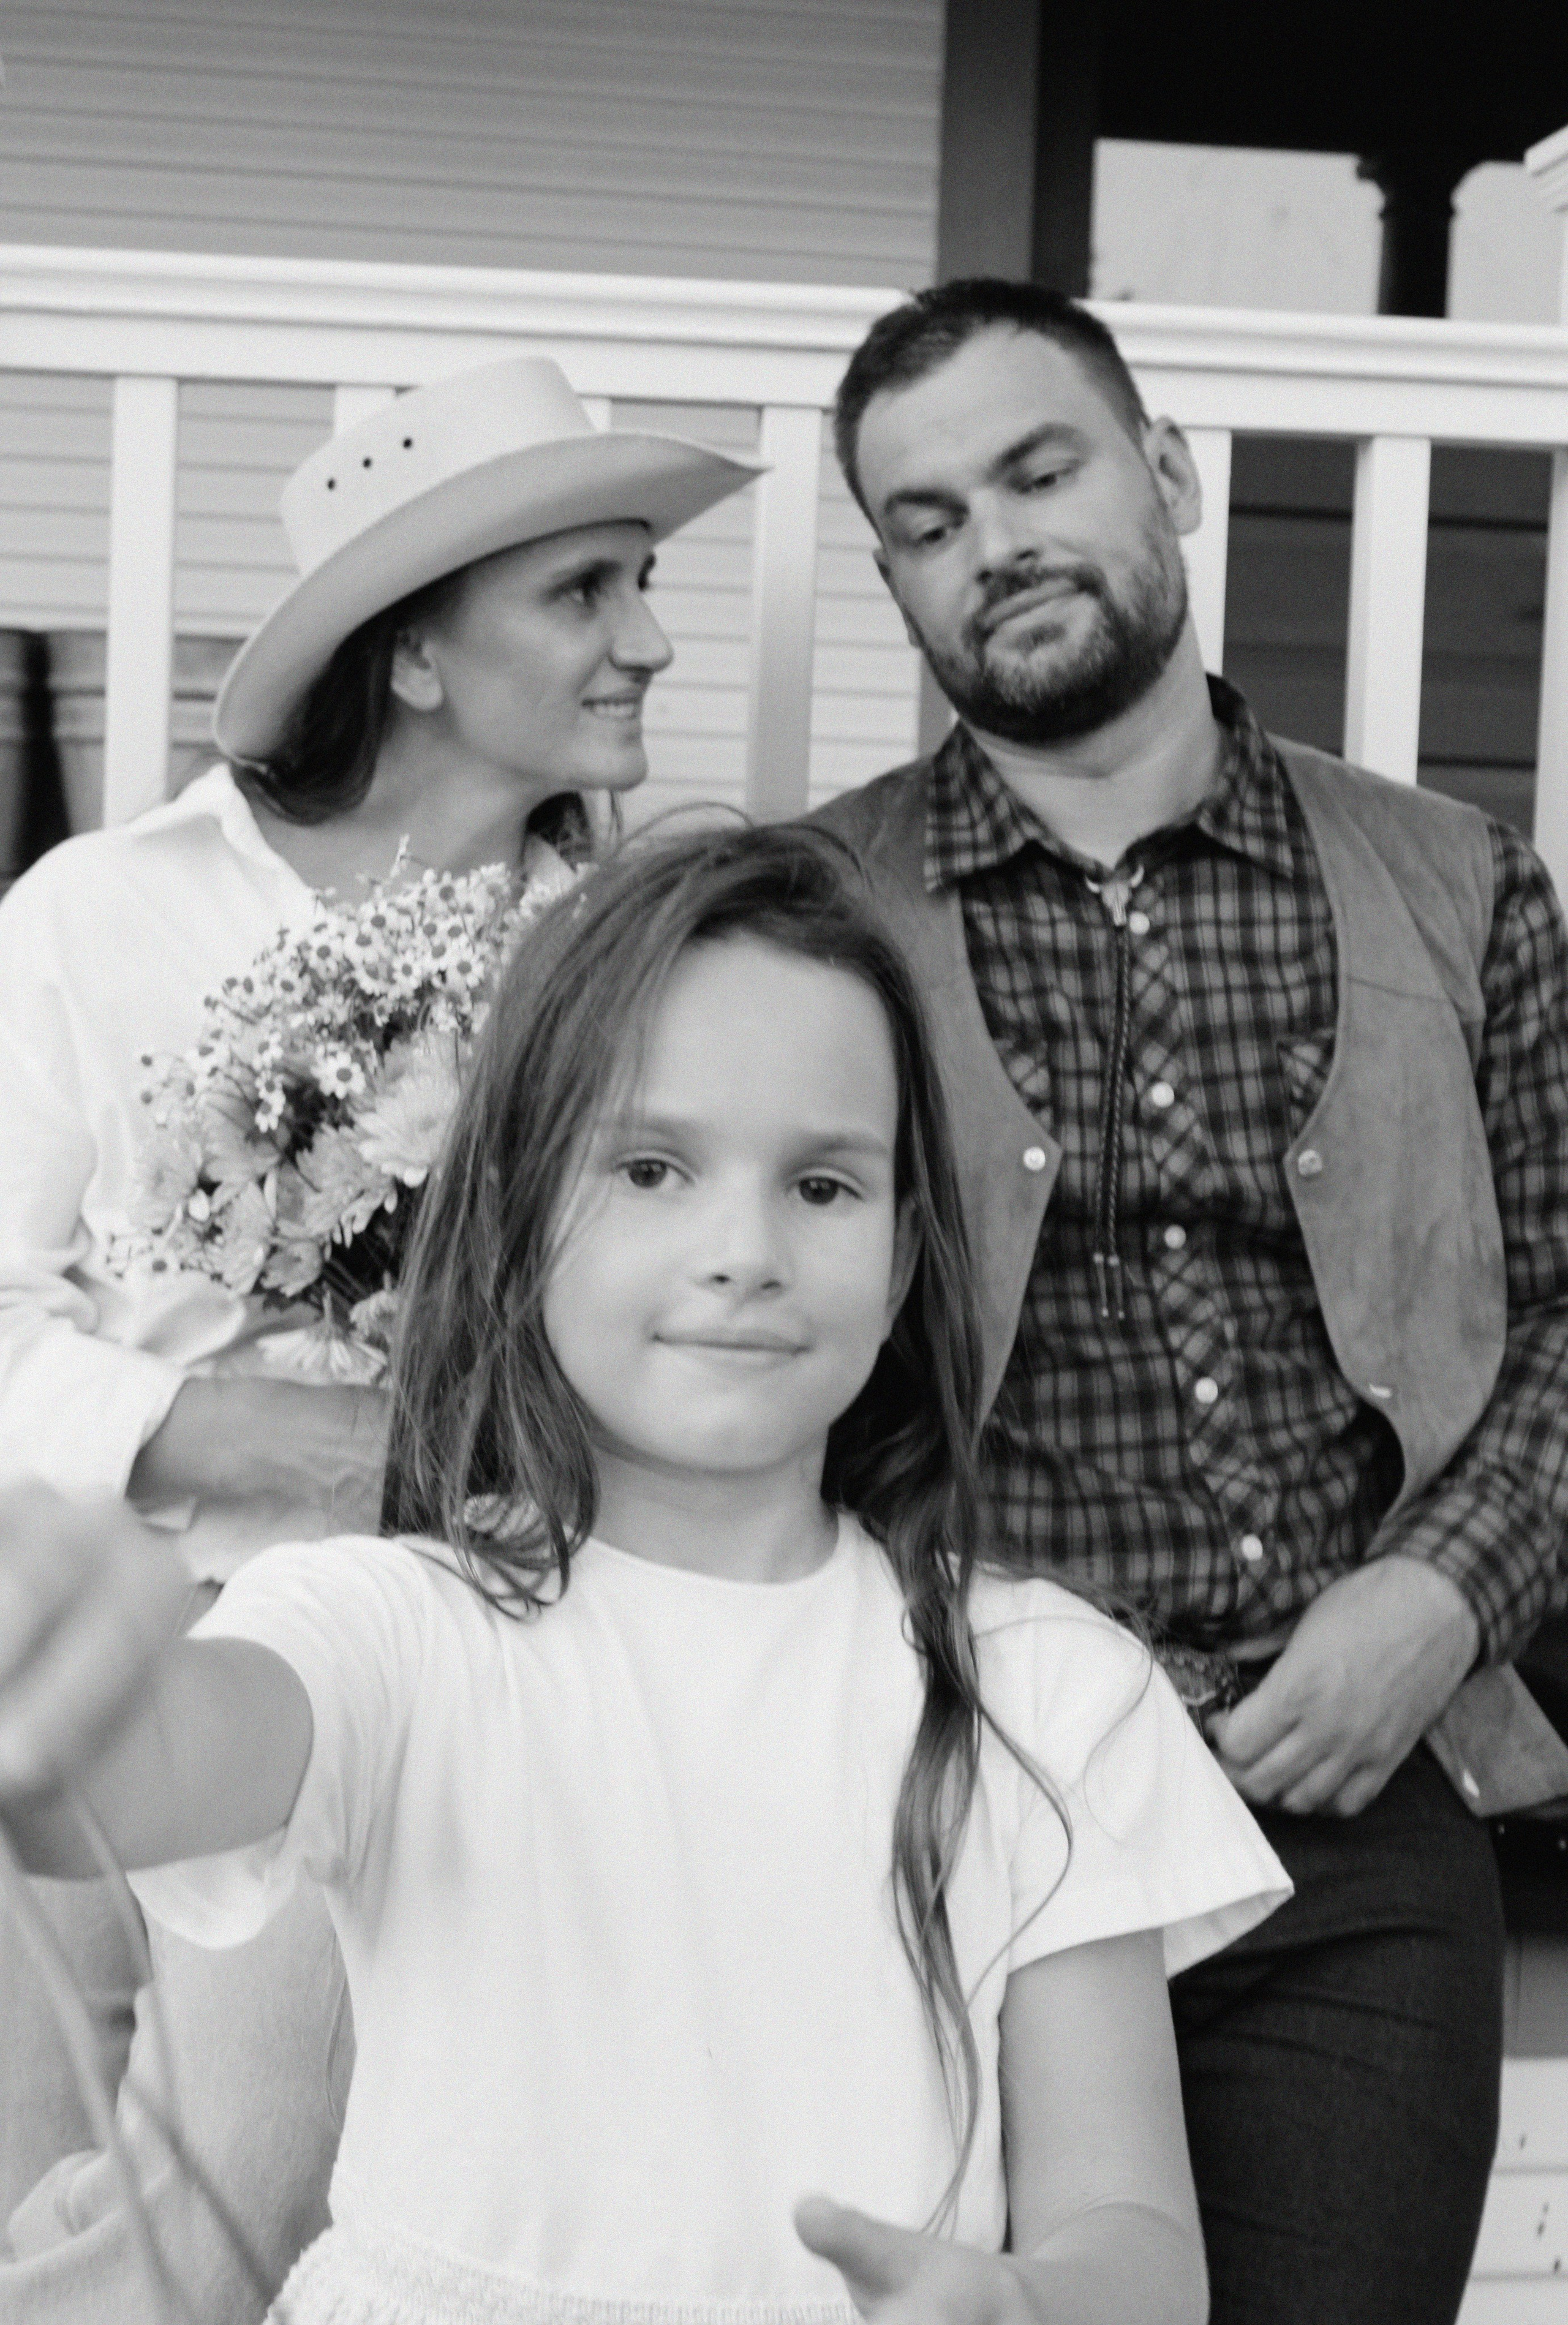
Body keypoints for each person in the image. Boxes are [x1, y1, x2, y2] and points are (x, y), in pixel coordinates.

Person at [0, 823, 1287, 2325]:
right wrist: (66, 1676)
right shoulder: (396, 1624)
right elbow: (138, 1772)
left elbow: (1131, 2235)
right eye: (653, 1166)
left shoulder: (1050, 1688)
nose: (742, 1248)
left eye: (821, 1185)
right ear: (520, 1210)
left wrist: (1023, 2306)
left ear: (905, 1251)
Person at [815, 277, 1568, 2325]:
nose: (996, 541)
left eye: (1039, 469)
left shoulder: (1458, 879)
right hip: (950, 1807)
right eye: (929, 520)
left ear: (1166, 474)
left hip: (1345, 1802)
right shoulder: (810, 915)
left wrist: (1443, 1594)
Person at [0, 355, 756, 2313]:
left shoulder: (635, 964)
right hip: (106, 1684)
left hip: (481, 1708)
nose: (653, 640)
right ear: (416, 653)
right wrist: (258, 1437)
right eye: (585, 591)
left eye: (639, 584)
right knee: (78, 2232)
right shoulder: (101, 918)